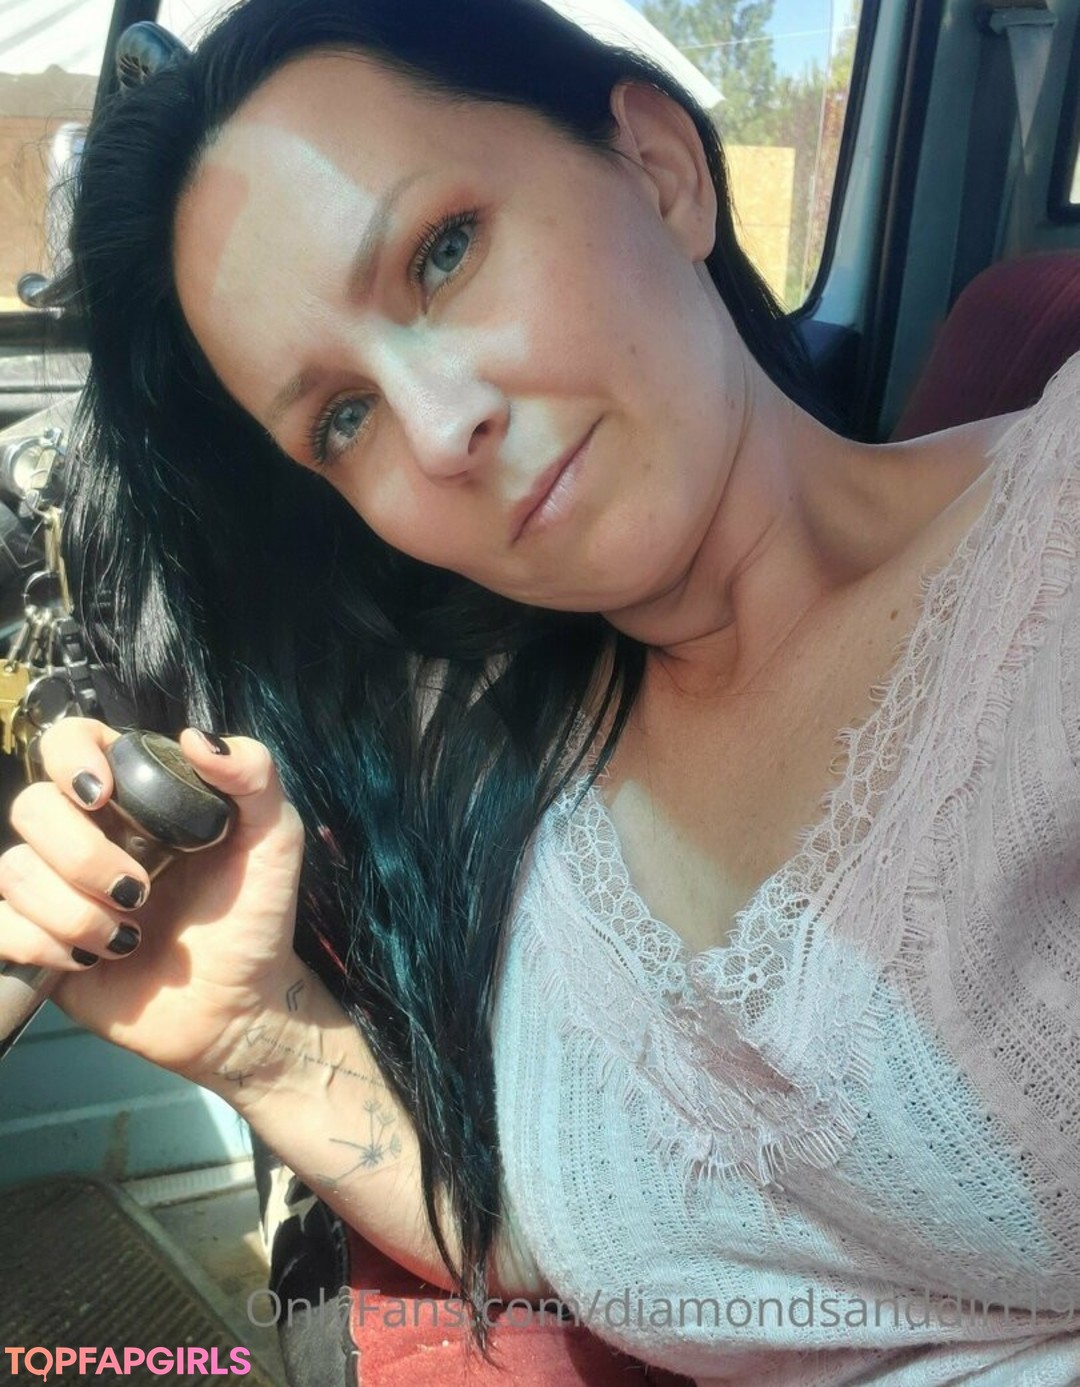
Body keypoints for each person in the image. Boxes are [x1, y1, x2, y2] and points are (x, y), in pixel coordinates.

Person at [3, 0, 1080, 1381]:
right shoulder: (505, 776)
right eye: (342, 418)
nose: (443, 428)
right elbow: (628, 1251)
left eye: (443, 253)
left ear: (661, 169)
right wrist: (260, 1037)